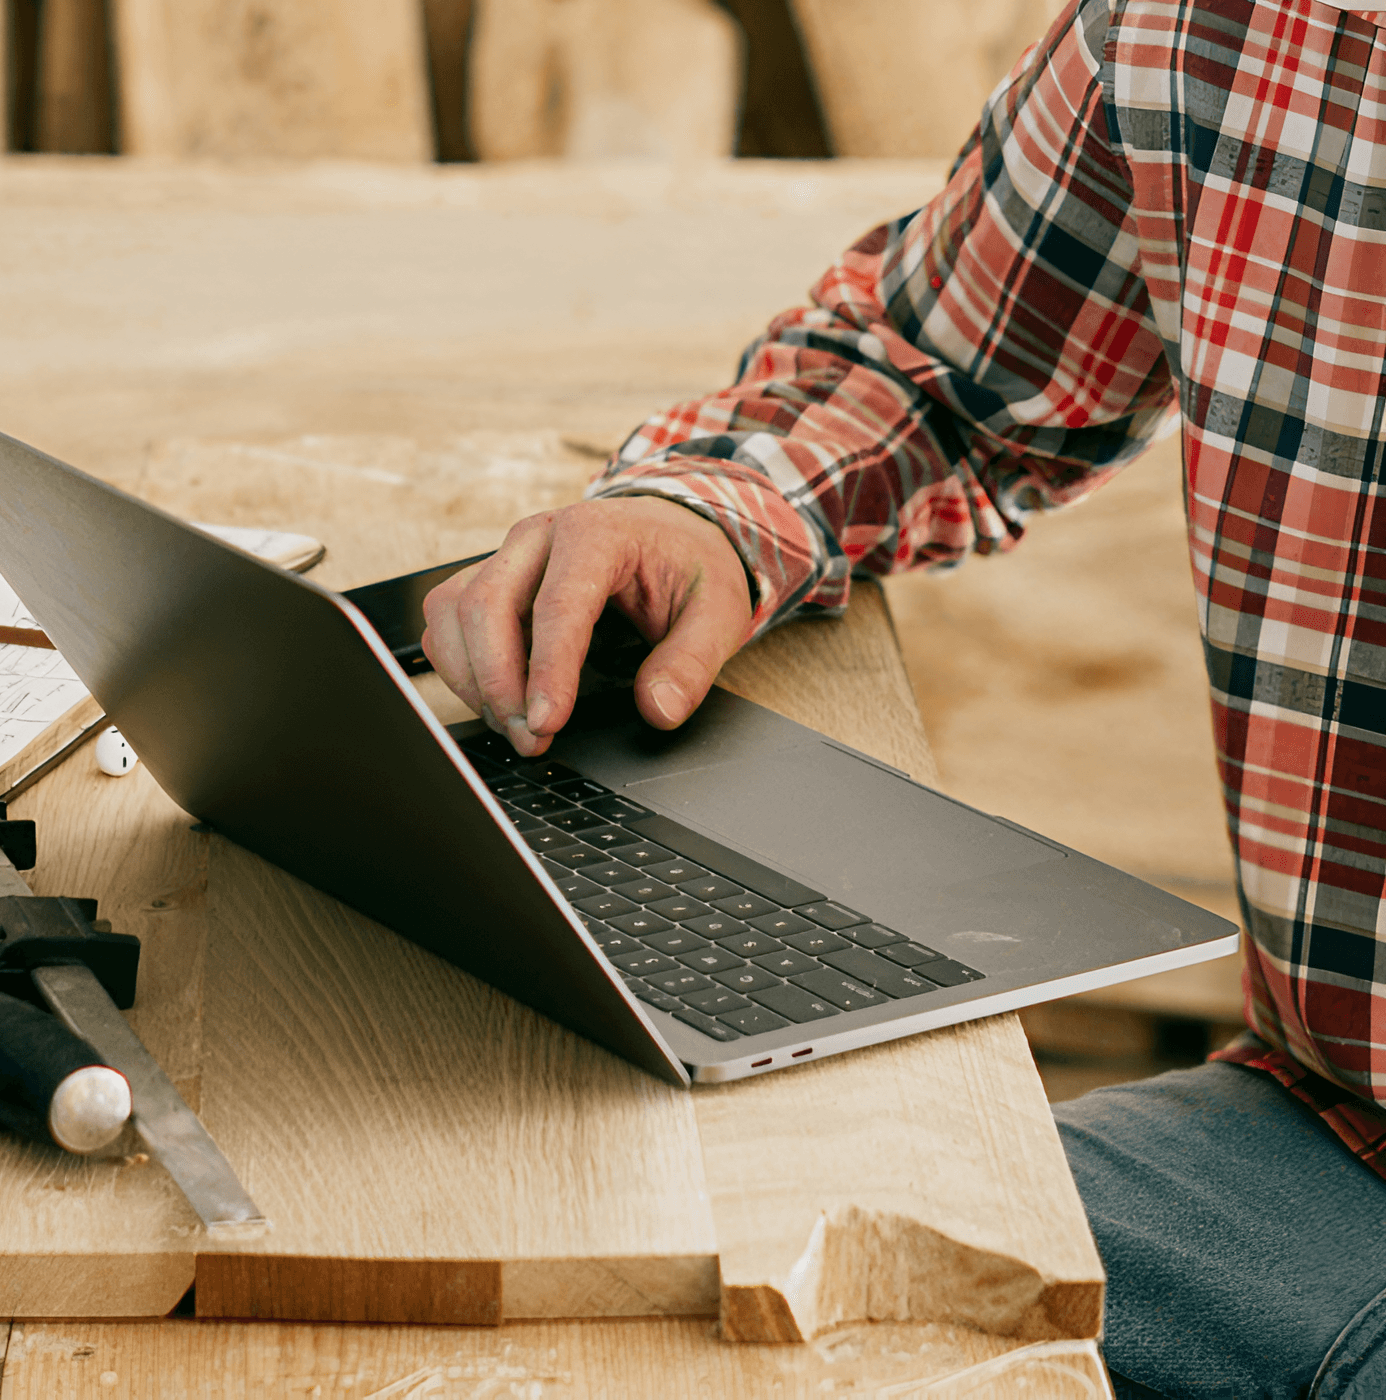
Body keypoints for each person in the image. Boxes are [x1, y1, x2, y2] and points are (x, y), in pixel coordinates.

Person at [419, 2, 1386, 1394]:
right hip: (1321, 1139)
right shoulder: (1228, 22)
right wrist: (714, 512)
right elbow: (940, 373)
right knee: (658, 1311)